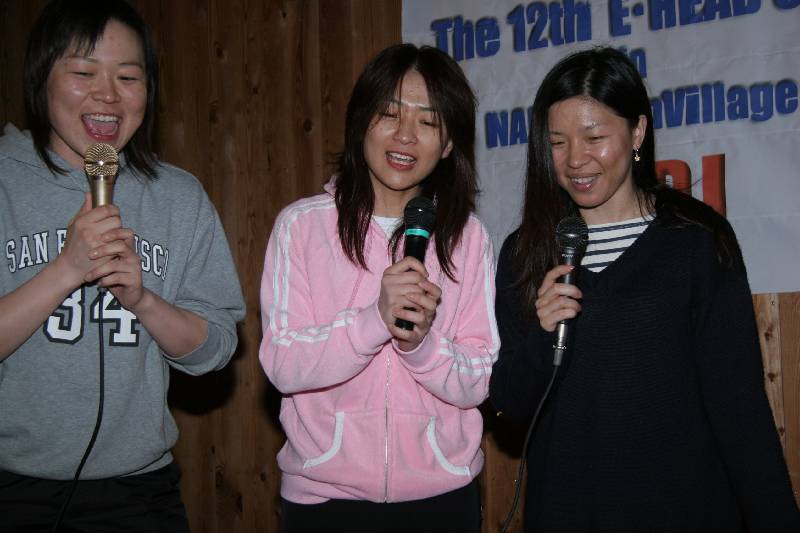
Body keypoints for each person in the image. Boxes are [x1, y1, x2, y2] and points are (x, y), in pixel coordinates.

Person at [489, 47, 800, 532]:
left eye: (594, 137)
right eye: (557, 142)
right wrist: (541, 337)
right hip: (569, 511)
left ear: (637, 132)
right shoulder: (526, 251)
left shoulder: (696, 240)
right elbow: (509, 409)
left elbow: (739, 408)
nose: (575, 160)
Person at [0, 1, 245, 531]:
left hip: (139, 492)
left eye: (128, 77)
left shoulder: (178, 197)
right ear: (41, 80)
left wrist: (143, 301)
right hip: (13, 489)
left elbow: (216, 350)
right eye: (84, 73)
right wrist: (66, 269)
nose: (108, 94)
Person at [259, 43, 498, 533]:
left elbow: (480, 377)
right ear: (359, 122)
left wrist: (421, 346)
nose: (405, 135)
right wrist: (372, 322)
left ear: (448, 145)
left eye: (428, 122)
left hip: (442, 496)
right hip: (325, 499)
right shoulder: (301, 226)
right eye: (389, 114)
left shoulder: (469, 237)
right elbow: (282, 364)